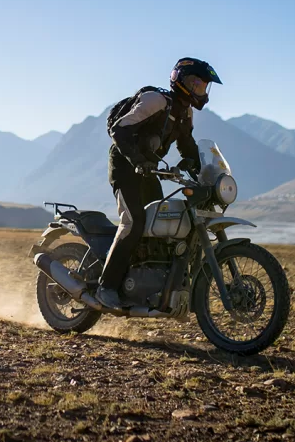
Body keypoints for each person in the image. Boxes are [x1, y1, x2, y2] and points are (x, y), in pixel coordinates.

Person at [95, 58, 222, 310]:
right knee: (134, 222)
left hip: (147, 170)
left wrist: (210, 175)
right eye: (196, 84)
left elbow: (188, 149)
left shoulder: (184, 113)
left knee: (160, 223)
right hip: (125, 164)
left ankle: (145, 282)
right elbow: (119, 130)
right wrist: (138, 160)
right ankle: (106, 287)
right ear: (180, 80)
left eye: (203, 86)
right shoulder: (156, 101)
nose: (200, 90)